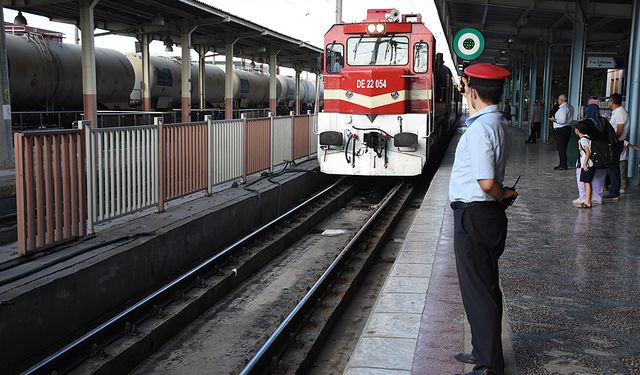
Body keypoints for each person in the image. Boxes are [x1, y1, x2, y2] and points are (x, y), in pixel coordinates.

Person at [450, 63, 517, 375]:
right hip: (483, 217)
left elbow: (487, 184)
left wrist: (502, 194)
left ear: (473, 90)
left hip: (475, 217)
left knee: (479, 290)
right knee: (484, 286)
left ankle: (489, 364)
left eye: (466, 88)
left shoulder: (480, 129)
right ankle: (482, 349)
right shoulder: (494, 123)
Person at [574, 96, 606, 206]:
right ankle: (597, 197)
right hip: (602, 153)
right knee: (599, 175)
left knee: (582, 174)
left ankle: (583, 197)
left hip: (588, 154)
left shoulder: (586, 123)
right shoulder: (604, 122)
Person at [603, 93, 629, 199]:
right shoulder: (617, 112)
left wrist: (612, 140)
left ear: (612, 102)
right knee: (612, 166)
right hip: (616, 142)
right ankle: (613, 188)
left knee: (613, 167)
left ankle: (614, 191)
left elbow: (620, 129)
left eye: (609, 101)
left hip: (616, 142)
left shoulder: (620, 113)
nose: (608, 102)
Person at [549, 94, 574, 170]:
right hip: (567, 128)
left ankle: (562, 164)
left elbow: (562, 120)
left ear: (562, 100)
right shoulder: (570, 107)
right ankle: (563, 163)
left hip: (561, 130)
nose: (558, 100)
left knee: (560, 148)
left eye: (559, 99)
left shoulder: (563, 109)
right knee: (564, 147)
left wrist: (554, 120)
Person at [574, 120, 594, 208]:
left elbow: (588, 152)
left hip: (587, 165)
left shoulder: (583, 140)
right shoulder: (588, 137)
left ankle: (587, 202)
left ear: (577, 130)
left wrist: (585, 164)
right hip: (589, 164)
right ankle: (588, 200)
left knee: (587, 183)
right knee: (587, 182)